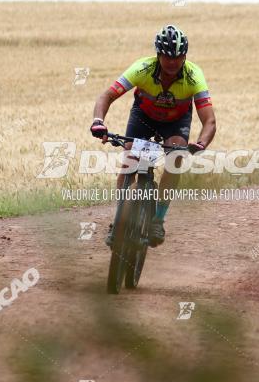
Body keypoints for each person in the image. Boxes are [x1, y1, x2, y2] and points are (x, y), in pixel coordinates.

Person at [90, 25, 216, 246]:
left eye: (177, 57)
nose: (172, 62)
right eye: (167, 56)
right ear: (158, 55)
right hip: (143, 118)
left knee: (175, 158)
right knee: (130, 160)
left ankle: (157, 219)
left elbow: (209, 121)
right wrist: (98, 121)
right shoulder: (142, 68)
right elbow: (106, 96)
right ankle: (120, 219)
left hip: (176, 122)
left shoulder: (194, 76)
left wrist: (201, 143)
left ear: (185, 55)